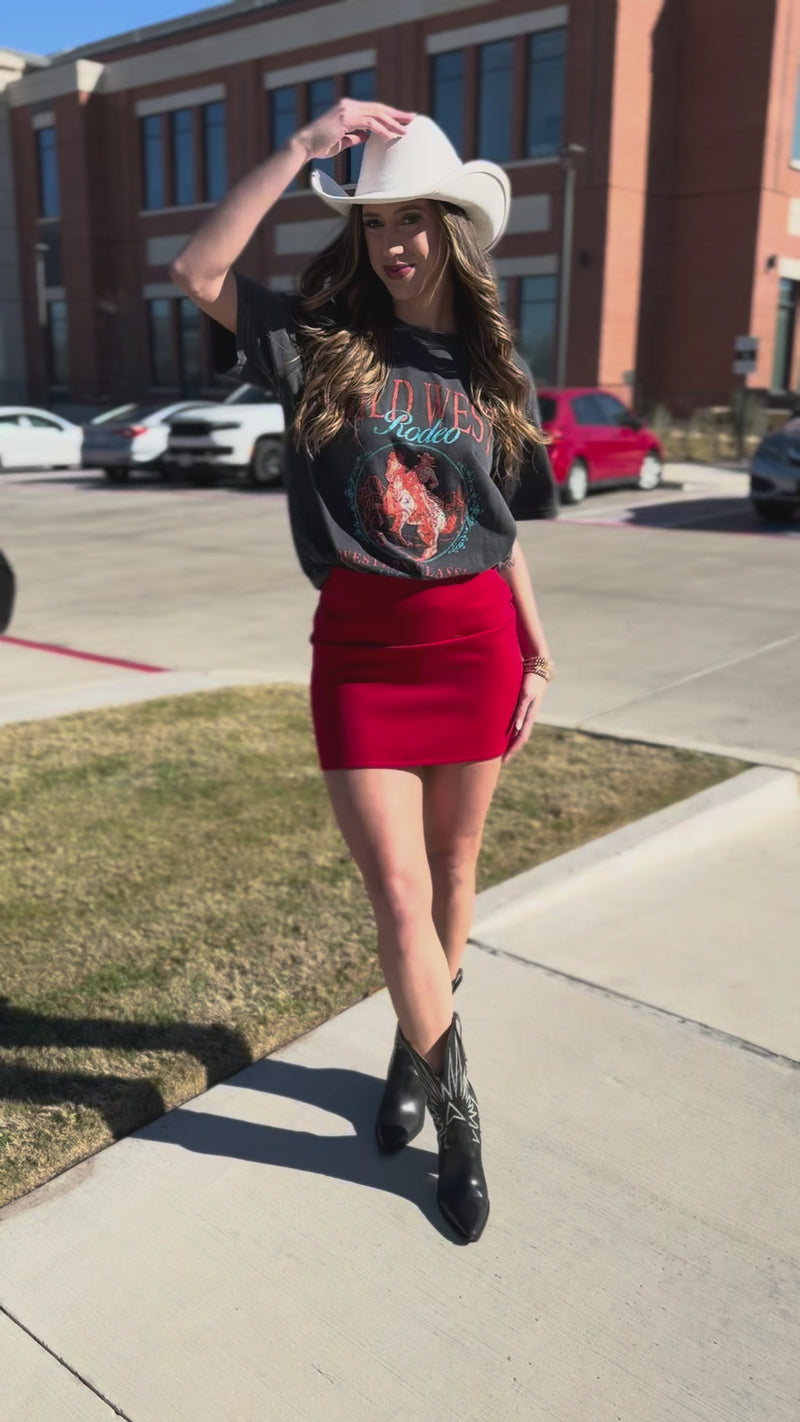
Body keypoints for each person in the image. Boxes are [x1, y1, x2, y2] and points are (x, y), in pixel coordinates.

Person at [170, 100, 555, 1244]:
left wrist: (537, 647)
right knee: (394, 894)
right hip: (361, 652)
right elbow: (197, 270)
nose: (394, 242)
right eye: (374, 221)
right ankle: (460, 1115)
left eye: (412, 221)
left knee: (451, 866)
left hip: (477, 639)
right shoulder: (315, 343)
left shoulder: (492, 368)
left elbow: (504, 527)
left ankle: (408, 1046)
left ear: (449, 227)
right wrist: (298, 150)